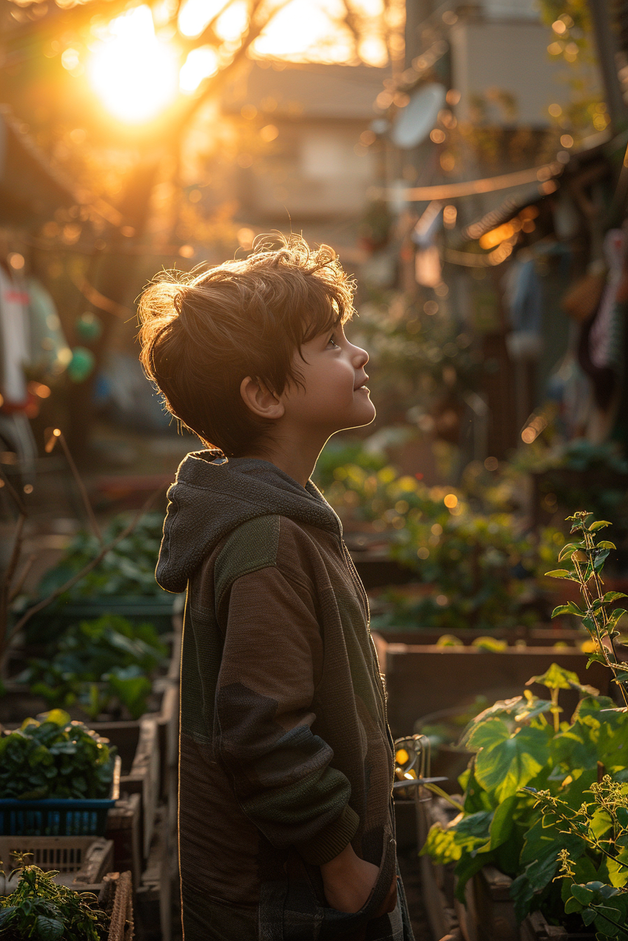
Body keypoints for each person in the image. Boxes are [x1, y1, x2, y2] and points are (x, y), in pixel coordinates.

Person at [137, 234, 414, 941]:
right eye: (330, 343)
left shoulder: (279, 520)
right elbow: (262, 730)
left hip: (298, 885)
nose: (359, 354)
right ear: (262, 395)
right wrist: (339, 860)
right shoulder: (269, 540)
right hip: (288, 896)